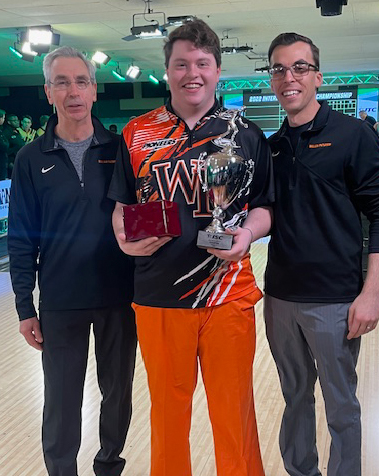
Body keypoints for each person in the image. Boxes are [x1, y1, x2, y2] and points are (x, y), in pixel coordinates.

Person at [108, 18, 272, 476]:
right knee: (167, 415)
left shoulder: (245, 133)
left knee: (234, 414)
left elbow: (265, 207)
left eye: (202, 63)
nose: (192, 73)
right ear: (167, 71)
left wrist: (247, 235)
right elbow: (121, 207)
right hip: (158, 295)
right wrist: (124, 240)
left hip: (228, 292)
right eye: (181, 64)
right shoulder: (136, 133)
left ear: (218, 69)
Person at [263, 32, 379, 476]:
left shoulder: (352, 135)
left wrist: (371, 293)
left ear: (318, 76)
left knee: (340, 405)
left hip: (336, 301)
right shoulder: (272, 147)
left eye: (299, 67)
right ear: (272, 80)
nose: (289, 77)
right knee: (295, 399)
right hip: (280, 299)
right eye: (279, 69)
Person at [7, 46, 137, 476]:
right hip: (61, 301)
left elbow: (139, 221)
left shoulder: (121, 151)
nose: (73, 91)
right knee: (61, 400)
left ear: (94, 90)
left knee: (117, 394)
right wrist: (25, 307)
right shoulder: (30, 159)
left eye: (81, 81)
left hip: (119, 297)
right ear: (48, 92)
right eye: (61, 82)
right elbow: (21, 237)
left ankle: (109, 465)